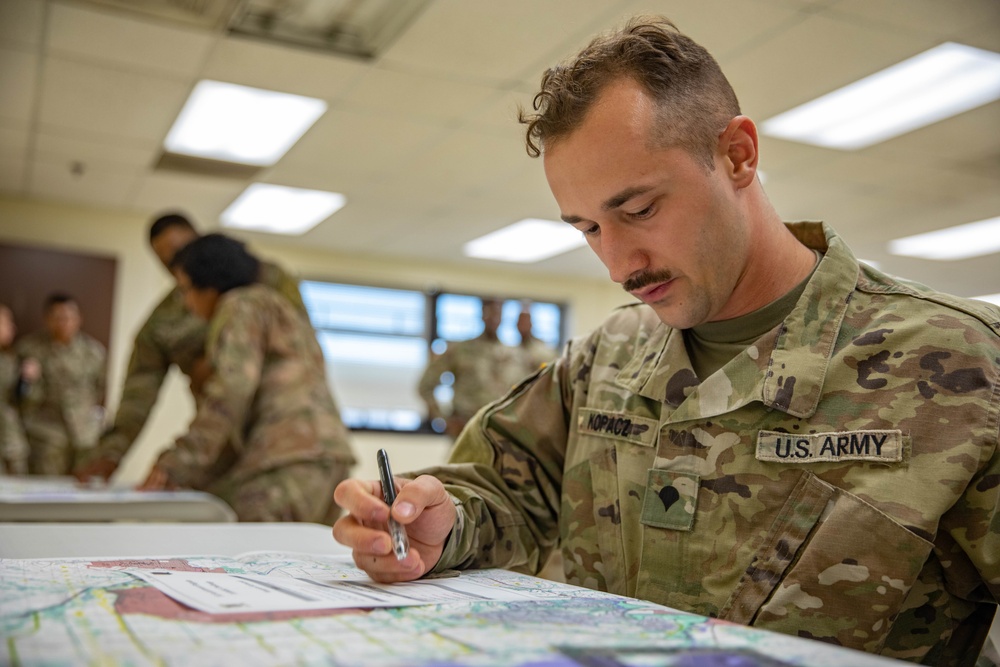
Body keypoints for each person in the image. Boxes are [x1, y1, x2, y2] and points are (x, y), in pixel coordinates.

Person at [332, 16, 1000, 666]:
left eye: (640, 209)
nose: (620, 263)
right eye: (589, 228)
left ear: (737, 155)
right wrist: (441, 523)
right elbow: (502, 491)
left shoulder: (963, 365)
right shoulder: (605, 357)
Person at [74, 212, 307, 482]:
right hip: (221, 439)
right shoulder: (163, 323)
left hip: (285, 435)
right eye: (167, 262)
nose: (177, 264)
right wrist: (109, 453)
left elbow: (299, 350)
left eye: (182, 251)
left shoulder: (263, 280)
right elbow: (138, 394)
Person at [138, 234, 355, 522]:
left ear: (210, 283)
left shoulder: (240, 305)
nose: (187, 303)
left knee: (221, 540)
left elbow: (231, 390)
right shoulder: (277, 307)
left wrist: (177, 462)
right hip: (325, 458)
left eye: (187, 289)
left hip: (286, 463)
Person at [16, 294, 107, 475]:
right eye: (58, 317)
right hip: (46, 436)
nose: (64, 322)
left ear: (79, 319)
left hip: (84, 436)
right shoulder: (29, 349)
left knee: (83, 492)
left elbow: (99, 389)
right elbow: (22, 397)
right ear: (47, 320)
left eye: (69, 317)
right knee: (47, 496)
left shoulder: (94, 352)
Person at [417, 298, 517, 438]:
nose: (494, 318)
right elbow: (425, 386)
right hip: (466, 431)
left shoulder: (513, 354)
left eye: (498, 313)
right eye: (490, 313)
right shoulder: (461, 350)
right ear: (482, 315)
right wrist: (444, 419)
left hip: (499, 434)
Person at [0, 304, 29, 475]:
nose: (12, 328)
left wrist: (24, 380)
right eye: (5, 322)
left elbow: (20, 399)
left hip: (10, 440)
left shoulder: (11, 360)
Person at [511, 302, 556, 380]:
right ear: (516, 325)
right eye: (520, 322)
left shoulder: (542, 349)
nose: (523, 325)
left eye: (525, 321)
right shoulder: (512, 351)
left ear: (531, 324)